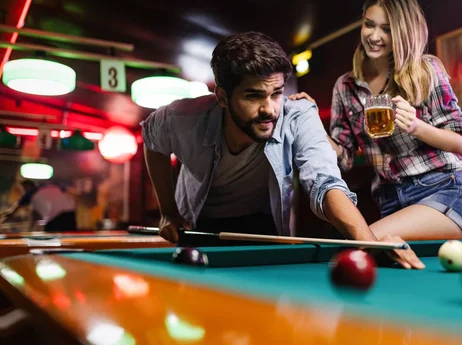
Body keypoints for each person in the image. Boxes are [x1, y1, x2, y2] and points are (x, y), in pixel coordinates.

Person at [141, 31, 424, 268]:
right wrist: (168, 211)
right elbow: (152, 140)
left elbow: (325, 182)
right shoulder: (180, 118)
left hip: (263, 227)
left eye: (276, 93)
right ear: (223, 97)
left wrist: (368, 244)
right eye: (253, 95)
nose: (269, 109)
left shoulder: (298, 115)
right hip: (199, 225)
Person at [290, 0, 462, 242]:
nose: (374, 36)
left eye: (387, 29)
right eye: (369, 24)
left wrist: (416, 126)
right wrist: (311, 120)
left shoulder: (426, 70)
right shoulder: (345, 87)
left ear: (402, 32)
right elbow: (342, 157)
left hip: (444, 190)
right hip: (389, 200)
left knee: (361, 243)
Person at [0, 180, 77, 232]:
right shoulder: (50, 188)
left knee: (50, 242)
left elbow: (12, 213)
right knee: (68, 238)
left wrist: (2, 221)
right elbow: (36, 216)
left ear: (27, 187)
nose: (23, 191)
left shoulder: (30, 193)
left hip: (57, 218)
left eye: (22, 189)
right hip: (72, 215)